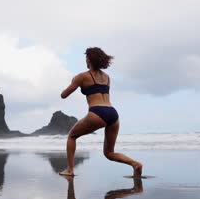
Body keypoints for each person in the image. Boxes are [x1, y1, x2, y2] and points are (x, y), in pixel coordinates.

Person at [58, 47, 143, 177]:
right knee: (109, 153)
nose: (85, 60)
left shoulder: (81, 76)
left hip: (97, 112)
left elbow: (63, 95)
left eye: (86, 58)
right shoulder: (107, 77)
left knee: (72, 136)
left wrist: (74, 82)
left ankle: (70, 170)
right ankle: (135, 164)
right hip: (113, 114)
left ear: (90, 60)